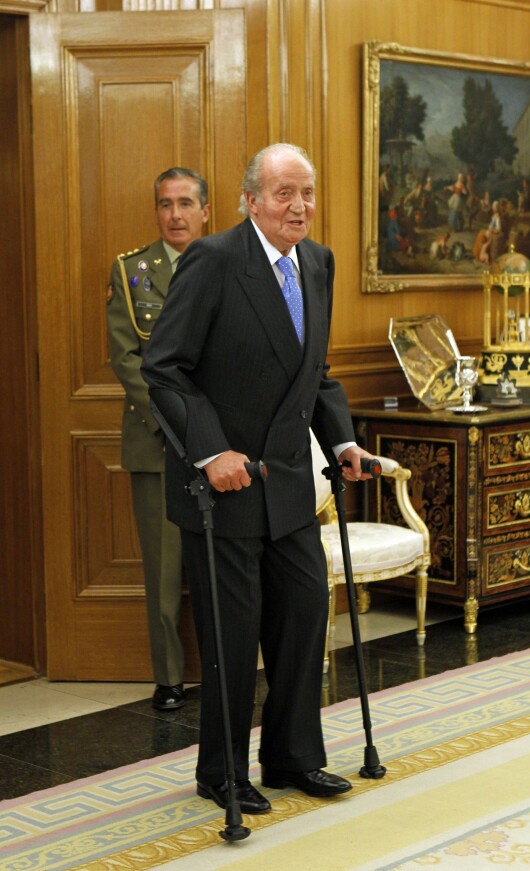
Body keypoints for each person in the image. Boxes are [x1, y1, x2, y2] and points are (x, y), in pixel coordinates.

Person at [141, 143, 375, 815]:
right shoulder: (214, 261)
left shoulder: (319, 262)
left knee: (303, 616)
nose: (299, 206)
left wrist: (343, 438)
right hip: (224, 488)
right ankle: (222, 771)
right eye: (283, 194)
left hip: (291, 486)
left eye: (306, 193)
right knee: (233, 641)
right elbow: (165, 367)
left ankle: (293, 755)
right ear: (251, 200)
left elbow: (315, 370)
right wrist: (211, 451)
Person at [106, 167, 210, 711]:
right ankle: (169, 677)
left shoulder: (229, 264)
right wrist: (177, 424)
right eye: (166, 204)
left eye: (186, 203)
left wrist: (213, 432)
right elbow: (127, 358)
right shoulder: (133, 272)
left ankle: (226, 667)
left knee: (223, 563)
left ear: (205, 211)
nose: (175, 214)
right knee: (164, 570)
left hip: (223, 445)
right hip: (157, 442)